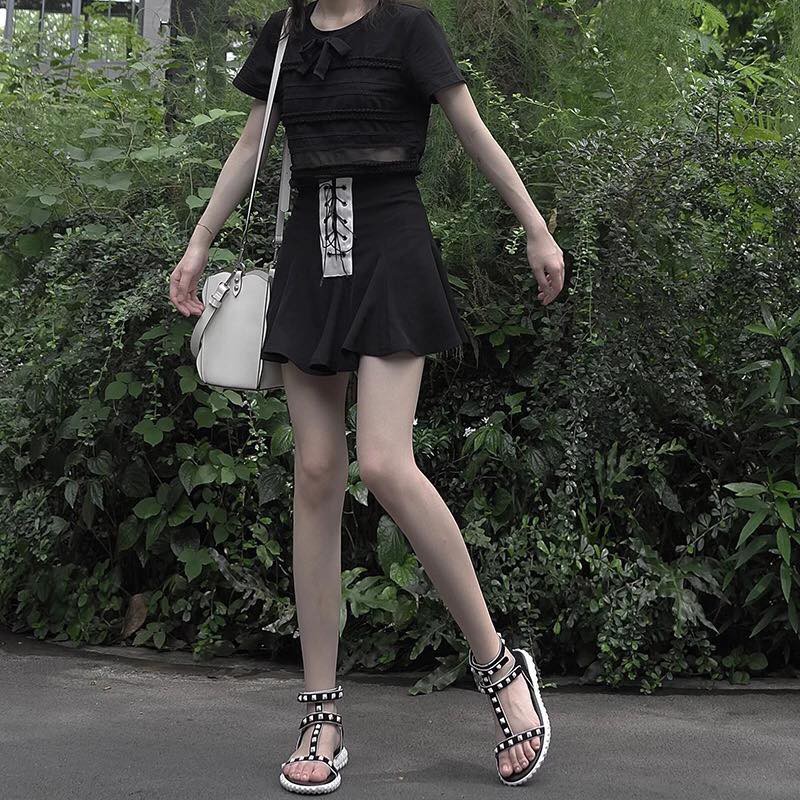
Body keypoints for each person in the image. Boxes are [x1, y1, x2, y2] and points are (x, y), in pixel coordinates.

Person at [169, 0, 565, 794]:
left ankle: (498, 667)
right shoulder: (285, 34)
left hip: (390, 248)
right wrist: (199, 242)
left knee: (384, 463)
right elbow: (252, 144)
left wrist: (535, 226)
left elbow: (472, 130)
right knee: (316, 472)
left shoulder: (408, 28)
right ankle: (321, 715)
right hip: (309, 255)